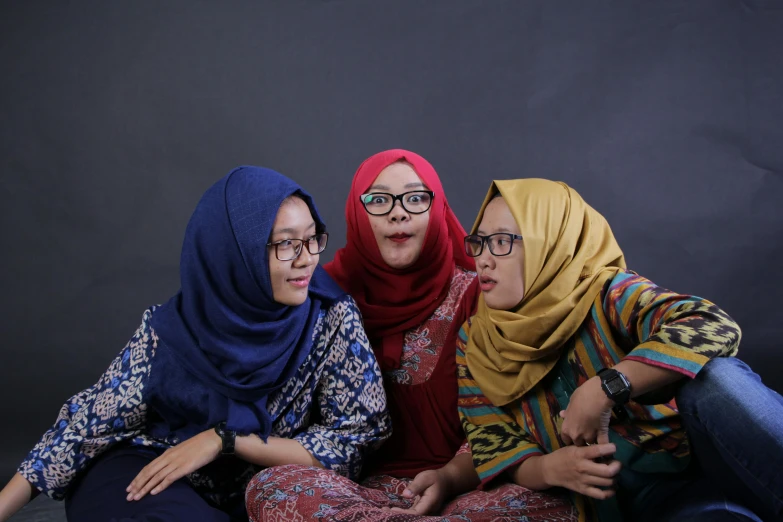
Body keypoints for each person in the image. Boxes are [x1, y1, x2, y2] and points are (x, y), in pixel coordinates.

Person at [0, 166, 390, 522]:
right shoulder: (173, 329)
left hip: (270, 485)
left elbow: (355, 439)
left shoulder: (330, 316)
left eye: (312, 239)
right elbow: (85, 426)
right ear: (235, 254)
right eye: (287, 244)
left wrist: (227, 441)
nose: (307, 260)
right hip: (158, 466)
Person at [245, 151, 577, 521]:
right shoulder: (322, 296)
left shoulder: (479, 296)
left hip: (470, 488)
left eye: (416, 198)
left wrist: (449, 477)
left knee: (554, 505)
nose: (398, 212)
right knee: (272, 486)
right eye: (379, 199)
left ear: (437, 210)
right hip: (356, 494)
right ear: (357, 212)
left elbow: (503, 419)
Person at [456, 178, 783, 521]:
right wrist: (548, 469)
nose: (483, 260)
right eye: (478, 242)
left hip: (710, 453)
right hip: (653, 502)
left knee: (716, 378)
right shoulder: (476, 342)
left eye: (502, 241)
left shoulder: (608, 293)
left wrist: (606, 388)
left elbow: (712, 324)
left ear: (552, 241)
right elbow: (491, 439)